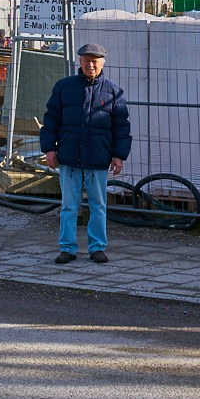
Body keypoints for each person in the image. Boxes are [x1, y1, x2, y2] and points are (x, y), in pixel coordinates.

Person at [40, 41, 130, 265]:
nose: (90, 65)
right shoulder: (64, 87)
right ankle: (67, 248)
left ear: (103, 63)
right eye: (86, 61)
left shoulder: (113, 92)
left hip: (98, 159)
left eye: (95, 61)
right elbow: (51, 120)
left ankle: (97, 247)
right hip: (70, 157)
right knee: (69, 205)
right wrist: (50, 149)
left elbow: (121, 127)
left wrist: (118, 155)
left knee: (98, 206)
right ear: (79, 62)